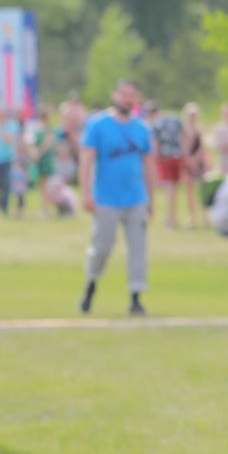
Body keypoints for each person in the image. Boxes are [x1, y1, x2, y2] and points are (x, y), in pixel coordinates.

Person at [78, 80, 156, 316]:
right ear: (115, 95)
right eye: (123, 94)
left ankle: (136, 296)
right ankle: (91, 284)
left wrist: (151, 198)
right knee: (102, 247)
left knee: (138, 249)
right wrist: (86, 192)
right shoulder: (98, 125)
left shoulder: (141, 129)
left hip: (135, 198)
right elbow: (87, 160)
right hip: (106, 198)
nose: (127, 99)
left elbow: (149, 166)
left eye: (132, 95)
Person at [151, 101, 189, 229]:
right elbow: (185, 136)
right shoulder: (175, 119)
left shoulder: (156, 123)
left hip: (165, 158)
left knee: (169, 189)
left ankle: (171, 219)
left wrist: (155, 159)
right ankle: (173, 217)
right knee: (174, 189)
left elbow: (155, 143)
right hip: (178, 156)